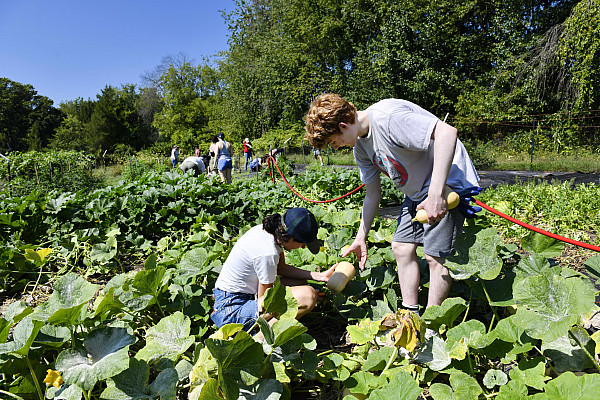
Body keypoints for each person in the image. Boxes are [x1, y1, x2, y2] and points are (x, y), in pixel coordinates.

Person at [304, 93, 480, 316]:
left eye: (333, 142)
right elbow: (372, 194)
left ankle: (432, 326)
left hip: (445, 181)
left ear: (343, 125)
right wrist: (361, 237)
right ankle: (410, 315)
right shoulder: (360, 148)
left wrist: (436, 194)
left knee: (435, 257)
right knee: (401, 247)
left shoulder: (388, 119)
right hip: (417, 189)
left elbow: (447, 132)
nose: (336, 148)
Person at [211, 207, 336, 332]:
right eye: (303, 243)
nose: (303, 247)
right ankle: (260, 340)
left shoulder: (269, 232)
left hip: (239, 296)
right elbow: (264, 302)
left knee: (300, 284)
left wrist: (320, 276)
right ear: (290, 238)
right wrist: (306, 299)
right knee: (308, 296)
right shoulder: (268, 253)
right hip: (231, 310)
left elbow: (282, 270)